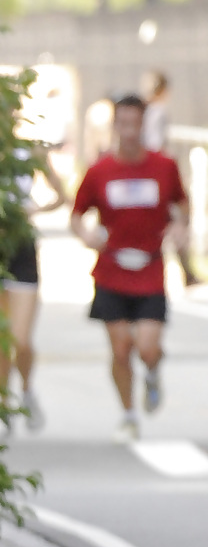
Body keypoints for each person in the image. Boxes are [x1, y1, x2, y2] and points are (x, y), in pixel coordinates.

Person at [70, 93, 190, 441]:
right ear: (115, 126)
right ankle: (128, 414)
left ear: (143, 125)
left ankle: (152, 371)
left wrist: (180, 226)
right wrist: (86, 235)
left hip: (150, 270)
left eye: (135, 123)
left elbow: (182, 203)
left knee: (147, 347)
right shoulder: (100, 170)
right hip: (112, 270)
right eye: (122, 123)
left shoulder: (163, 166)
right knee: (121, 347)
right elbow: (77, 214)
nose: (129, 131)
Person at [0, 142, 68, 432]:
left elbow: (62, 196)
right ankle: (2, 404)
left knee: (20, 339)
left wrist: (34, 209)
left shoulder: (31, 152)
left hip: (21, 246)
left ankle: (25, 389)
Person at [142, 70, 201, 288]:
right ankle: (186, 271)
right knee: (176, 218)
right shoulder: (158, 112)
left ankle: (186, 270)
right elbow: (156, 144)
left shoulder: (144, 111)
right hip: (157, 175)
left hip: (147, 173)